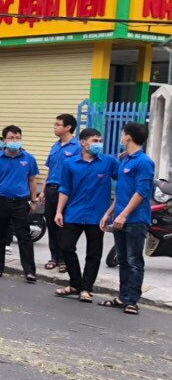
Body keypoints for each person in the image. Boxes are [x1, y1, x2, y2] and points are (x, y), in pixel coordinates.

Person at [53, 127, 117, 304]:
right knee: (66, 247)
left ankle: (86, 288)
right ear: (83, 143)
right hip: (74, 213)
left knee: (94, 253)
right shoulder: (70, 163)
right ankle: (75, 283)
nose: (99, 144)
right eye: (95, 141)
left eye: (100, 141)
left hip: (98, 215)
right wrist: (59, 211)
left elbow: (124, 181)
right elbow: (65, 188)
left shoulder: (109, 162)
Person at [101, 122, 156, 315]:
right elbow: (123, 192)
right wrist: (109, 213)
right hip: (119, 218)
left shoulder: (144, 162)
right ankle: (122, 297)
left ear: (129, 137)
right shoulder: (125, 160)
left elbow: (141, 192)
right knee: (122, 260)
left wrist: (124, 215)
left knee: (134, 260)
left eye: (123, 134)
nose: (121, 137)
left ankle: (132, 301)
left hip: (135, 220)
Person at [0, 125, 40, 282]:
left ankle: (29, 271)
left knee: (24, 237)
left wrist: (33, 200)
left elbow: (32, 180)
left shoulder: (29, 158)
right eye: (11, 138)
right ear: (4, 140)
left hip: (20, 202)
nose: (15, 141)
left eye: (18, 138)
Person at [43, 114, 80, 273]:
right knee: (51, 224)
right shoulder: (55, 146)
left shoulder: (77, 147)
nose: (55, 127)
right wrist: (43, 191)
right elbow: (50, 170)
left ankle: (65, 259)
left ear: (68, 127)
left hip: (66, 191)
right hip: (51, 189)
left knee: (64, 225)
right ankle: (54, 257)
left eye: (58, 124)